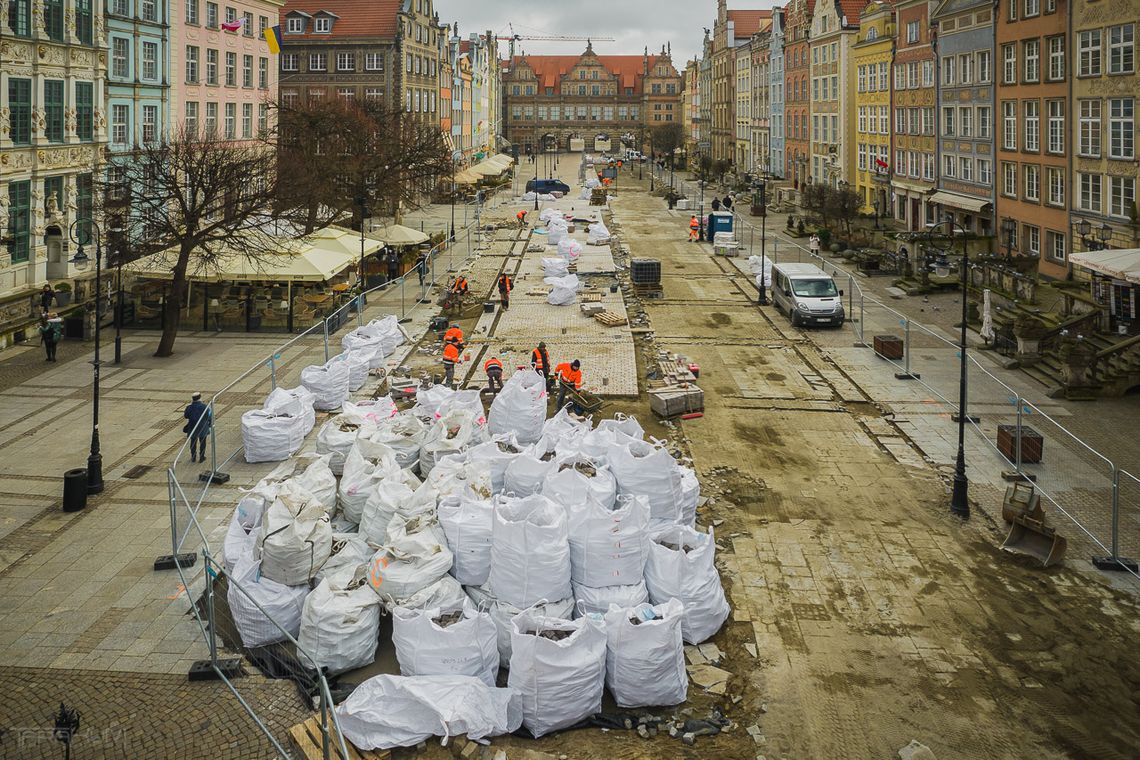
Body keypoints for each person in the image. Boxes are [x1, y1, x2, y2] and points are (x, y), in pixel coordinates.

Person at [183, 392, 212, 463]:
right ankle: (201, 457)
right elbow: (209, 416)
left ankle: (193, 457)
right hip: (203, 427)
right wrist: (210, 424)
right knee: (203, 442)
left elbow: (186, 416)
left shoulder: (189, 407)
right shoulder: (205, 407)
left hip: (192, 427)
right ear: (200, 398)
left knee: (193, 442)